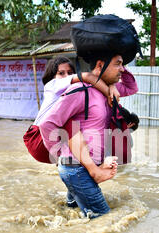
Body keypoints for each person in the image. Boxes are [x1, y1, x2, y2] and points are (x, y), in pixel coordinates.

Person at [39, 53, 138, 219]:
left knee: (72, 211)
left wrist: (116, 77)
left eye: (123, 65)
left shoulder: (107, 91)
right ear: (100, 65)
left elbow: (131, 87)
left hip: (82, 167)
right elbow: (47, 123)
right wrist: (57, 155)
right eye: (117, 64)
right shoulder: (80, 90)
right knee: (104, 220)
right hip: (77, 168)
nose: (121, 69)